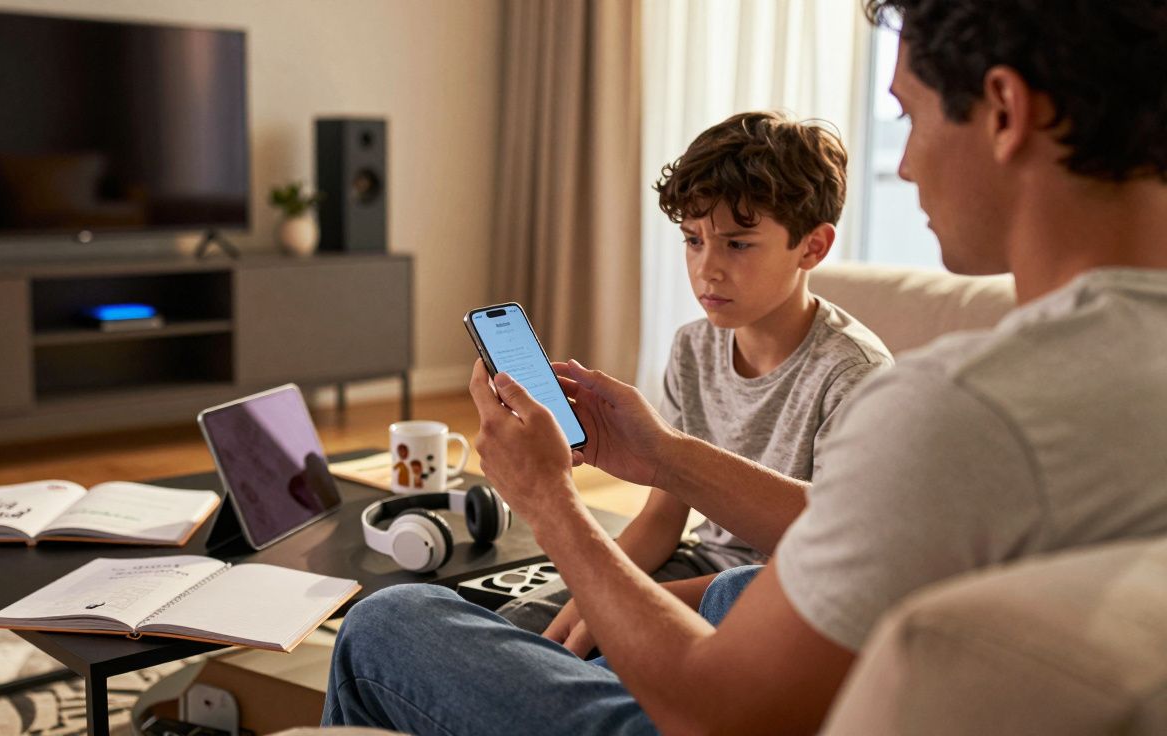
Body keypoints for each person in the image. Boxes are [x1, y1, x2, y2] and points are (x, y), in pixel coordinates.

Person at [323, 1, 1167, 733]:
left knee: (390, 624)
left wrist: (546, 498)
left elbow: (717, 714)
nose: (904, 164)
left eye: (907, 117)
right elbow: (857, 536)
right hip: (846, 663)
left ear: (1003, 109)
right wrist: (659, 455)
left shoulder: (956, 407)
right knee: (671, 602)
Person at [499, 111, 893, 641]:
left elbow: (833, 563)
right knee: (518, 627)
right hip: (699, 565)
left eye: (737, 243)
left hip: (782, 599)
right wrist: (590, 593)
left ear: (813, 246)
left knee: (592, 647)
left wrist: (627, 606)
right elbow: (664, 516)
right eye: (692, 239)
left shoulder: (853, 375)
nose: (707, 268)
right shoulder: (693, 346)